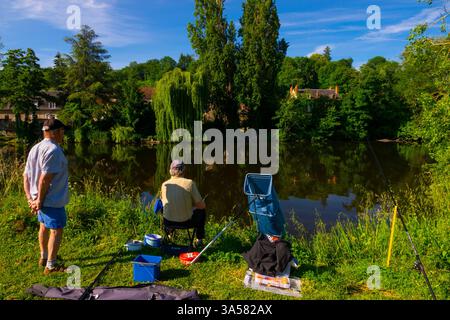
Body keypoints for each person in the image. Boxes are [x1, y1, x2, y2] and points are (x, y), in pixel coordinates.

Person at [23, 119, 69, 275]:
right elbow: (45, 178)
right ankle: (51, 265)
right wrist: (40, 201)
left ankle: (44, 257)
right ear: (55, 132)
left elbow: (26, 176)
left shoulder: (36, 148)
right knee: (56, 230)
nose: (63, 134)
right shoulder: (53, 150)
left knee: (43, 226)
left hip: (40, 199)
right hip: (51, 200)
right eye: (62, 131)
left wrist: (31, 198)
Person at [161, 160, 206, 247]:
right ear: (183, 170)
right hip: (185, 222)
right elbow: (201, 206)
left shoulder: (164, 184)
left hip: (168, 222)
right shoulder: (189, 183)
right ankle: (199, 240)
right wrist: (193, 205)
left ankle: (169, 234)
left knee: (166, 207)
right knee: (202, 211)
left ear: (171, 171)